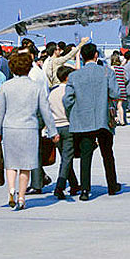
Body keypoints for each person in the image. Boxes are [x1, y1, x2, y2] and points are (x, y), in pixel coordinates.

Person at [0, 51, 59, 210]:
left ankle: (11, 190)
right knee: (25, 165)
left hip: (10, 128)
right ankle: (21, 197)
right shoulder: (36, 87)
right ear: (29, 67)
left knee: (11, 164)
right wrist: (53, 131)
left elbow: (0, 111)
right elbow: (45, 111)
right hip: (29, 128)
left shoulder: (6, 86)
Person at [63, 43, 121, 201]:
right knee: (107, 153)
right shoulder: (107, 72)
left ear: (82, 57)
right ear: (96, 55)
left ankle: (85, 190)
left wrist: (73, 114)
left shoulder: (74, 76)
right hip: (103, 119)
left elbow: (67, 100)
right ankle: (112, 185)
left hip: (83, 120)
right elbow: (115, 93)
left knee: (85, 155)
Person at [49, 66, 80, 199]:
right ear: (68, 77)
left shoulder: (52, 92)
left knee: (65, 158)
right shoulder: (69, 92)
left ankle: (74, 184)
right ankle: (59, 187)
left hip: (56, 127)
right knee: (67, 159)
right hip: (68, 126)